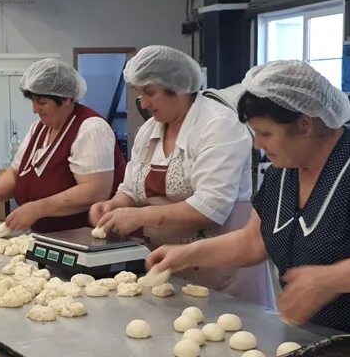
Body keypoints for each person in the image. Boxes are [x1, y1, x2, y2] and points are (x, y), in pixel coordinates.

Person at [148, 60, 350, 346]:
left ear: (304, 125)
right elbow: (253, 242)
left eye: (266, 133)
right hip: (319, 340)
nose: (258, 144)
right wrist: (187, 254)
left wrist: (328, 280)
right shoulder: (283, 173)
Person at [90, 46, 274, 307]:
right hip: (168, 266)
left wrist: (138, 216)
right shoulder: (148, 132)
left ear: (176, 86)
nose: (143, 103)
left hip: (222, 269)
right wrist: (114, 205)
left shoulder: (219, 125)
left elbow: (211, 208)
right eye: (139, 93)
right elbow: (130, 188)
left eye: (149, 92)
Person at [0, 58, 126, 233]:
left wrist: (38, 208)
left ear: (66, 98)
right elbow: (16, 172)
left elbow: (96, 191)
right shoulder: (38, 128)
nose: (35, 109)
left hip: (87, 239)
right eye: (33, 102)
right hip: (48, 238)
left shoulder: (91, 129)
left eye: (42, 103)